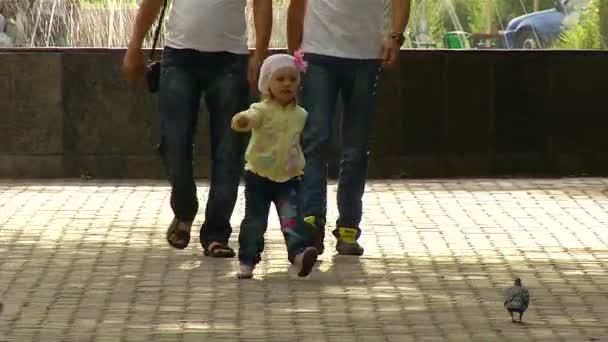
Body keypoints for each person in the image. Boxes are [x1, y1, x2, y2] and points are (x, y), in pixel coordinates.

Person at [122, 0, 272, 257]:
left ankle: (216, 234)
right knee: (175, 142)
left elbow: (261, 3)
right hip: (180, 58)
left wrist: (260, 52)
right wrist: (134, 45)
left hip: (230, 60)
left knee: (228, 149)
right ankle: (184, 209)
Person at [287, 0, 411, 256]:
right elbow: (297, 4)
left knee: (355, 148)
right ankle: (311, 222)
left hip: (365, 57)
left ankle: (348, 227)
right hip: (318, 54)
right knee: (315, 140)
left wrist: (396, 37)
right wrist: (294, 53)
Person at [231, 52, 318, 279]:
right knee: (255, 221)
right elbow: (250, 117)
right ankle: (248, 259)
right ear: (267, 83)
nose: (287, 83)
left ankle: (299, 253)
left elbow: (305, 139)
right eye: (280, 79)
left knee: (292, 218)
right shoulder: (262, 109)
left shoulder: (301, 114)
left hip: (289, 176)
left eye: (293, 79)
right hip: (259, 176)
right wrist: (243, 120)